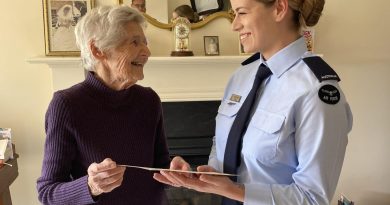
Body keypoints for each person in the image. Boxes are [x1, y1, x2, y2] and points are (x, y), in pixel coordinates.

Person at [154, 0, 353, 204]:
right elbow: (223, 146)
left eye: (242, 13)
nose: (234, 25)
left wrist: (237, 191)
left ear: (279, 9)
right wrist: (195, 175)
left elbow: (313, 198)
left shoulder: (317, 91)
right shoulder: (241, 76)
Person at [37, 5, 170, 205]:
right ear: (97, 50)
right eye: (135, 42)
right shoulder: (66, 105)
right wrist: (91, 186)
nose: (147, 51)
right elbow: (47, 192)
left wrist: (177, 170)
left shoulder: (149, 100)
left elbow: (161, 167)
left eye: (145, 42)